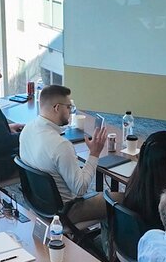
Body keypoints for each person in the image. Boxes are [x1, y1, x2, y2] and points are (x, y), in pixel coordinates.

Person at [18, 85, 108, 223]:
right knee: (120, 200)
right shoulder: (61, 145)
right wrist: (94, 154)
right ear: (57, 108)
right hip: (66, 211)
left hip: (38, 204)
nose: (70, 111)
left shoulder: (27, 129)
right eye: (68, 107)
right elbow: (80, 189)